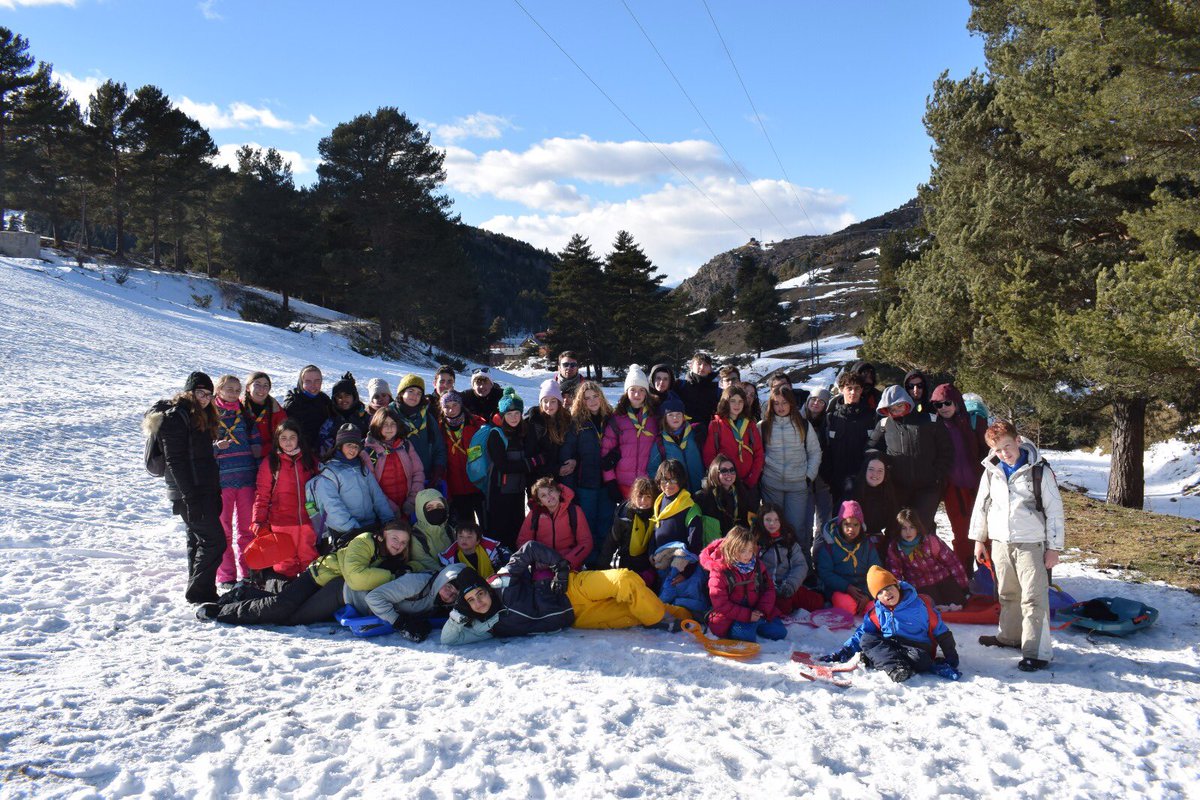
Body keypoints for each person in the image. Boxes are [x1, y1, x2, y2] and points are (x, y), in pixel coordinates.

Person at [440, 541, 688, 644]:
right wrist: (459, 612)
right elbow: (447, 640)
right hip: (575, 618)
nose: (479, 602)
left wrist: (559, 567)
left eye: (479, 594)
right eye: (471, 601)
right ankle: (685, 615)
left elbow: (529, 549)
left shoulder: (502, 580)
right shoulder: (484, 626)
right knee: (631, 614)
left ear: (486, 586)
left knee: (624, 580)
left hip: (571, 588)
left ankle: (657, 618)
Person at [969, 420, 1065, 672]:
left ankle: (1036, 651)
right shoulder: (992, 471)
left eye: (1007, 446)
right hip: (1001, 542)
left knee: (1034, 596)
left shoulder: (1039, 471)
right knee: (1007, 594)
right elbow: (982, 506)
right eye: (998, 450)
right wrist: (980, 540)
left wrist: (1054, 547)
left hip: (1030, 543)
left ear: (1018, 441)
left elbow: (1054, 511)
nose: (1004, 453)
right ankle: (1010, 636)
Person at [196, 524, 411, 625]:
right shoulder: (365, 541)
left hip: (327, 586)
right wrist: (391, 577)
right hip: (316, 577)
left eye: (403, 543)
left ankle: (246, 593)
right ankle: (220, 611)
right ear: (382, 535)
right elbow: (355, 577)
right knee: (281, 607)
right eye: (394, 539)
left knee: (288, 612)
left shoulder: (388, 556)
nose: (398, 545)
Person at [149, 371, 225, 604]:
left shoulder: (198, 415)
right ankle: (199, 592)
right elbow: (176, 461)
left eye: (209, 395)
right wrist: (189, 497)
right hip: (190, 492)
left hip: (203, 488)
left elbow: (195, 453)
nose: (204, 398)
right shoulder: (175, 417)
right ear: (189, 391)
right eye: (200, 392)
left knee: (197, 540)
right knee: (215, 541)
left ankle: (201, 590)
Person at [822, 565, 961, 683]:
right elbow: (862, 633)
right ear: (877, 598)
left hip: (917, 650)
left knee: (920, 659)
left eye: (888, 587)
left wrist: (951, 657)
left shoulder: (920, 605)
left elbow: (941, 632)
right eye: (880, 592)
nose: (886, 593)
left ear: (897, 585)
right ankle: (896, 668)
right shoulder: (877, 612)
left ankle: (876, 660)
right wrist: (845, 651)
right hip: (892, 646)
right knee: (867, 639)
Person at [867, 385, 952, 537]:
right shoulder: (884, 425)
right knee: (896, 529)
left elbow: (947, 451)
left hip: (928, 488)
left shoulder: (929, 421)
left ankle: (925, 560)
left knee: (922, 529)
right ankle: (894, 560)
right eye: (892, 408)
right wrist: (884, 466)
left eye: (899, 405)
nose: (897, 410)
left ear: (907, 402)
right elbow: (871, 450)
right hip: (897, 488)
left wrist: (936, 474)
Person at [930, 382, 990, 573]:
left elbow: (988, 450)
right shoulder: (935, 427)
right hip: (953, 490)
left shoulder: (974, 422)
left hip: (979, 487)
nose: (943, 408)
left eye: (947, 403)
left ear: (956, 402)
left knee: (985, 533)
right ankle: (965, 577)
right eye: (938, 405)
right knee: (961, 534)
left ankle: (988, 577)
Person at [759, 385, 821, 564]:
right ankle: (774, 567)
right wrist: (764, 474)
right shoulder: (763, 426)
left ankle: (802, 568)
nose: (780, 407)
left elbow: (815, 452)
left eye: (784, 403)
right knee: (772, 528)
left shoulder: (803, 424)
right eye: (776, 403)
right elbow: (757, 454)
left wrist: (808, 475)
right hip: (772, 485)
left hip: (797, 486)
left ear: (791, 404)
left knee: (796, 529)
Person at [249, 419, 319, 579]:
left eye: (292, 437)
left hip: (308, 520)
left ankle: (310, 595)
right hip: (282, 523)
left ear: (299, 438)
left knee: (310, 558)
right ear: (277, 440)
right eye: (283, 438)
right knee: (284, 562)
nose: (288, 442)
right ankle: (287, 594)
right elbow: (262, 494)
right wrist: (258, 521)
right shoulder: (271, 463)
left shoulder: (309, 460)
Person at [310, 423, 394, 551]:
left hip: (369, 526)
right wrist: (354, 529)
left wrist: (389, 520)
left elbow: (377, 496)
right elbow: (333, 506)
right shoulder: (329, 473)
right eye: (349, 445)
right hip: (346, 531)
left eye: (356, 446)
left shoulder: (362, 468)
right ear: (340, 445)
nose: (353, 449)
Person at [212, 374, 261, 587]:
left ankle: (249, 572)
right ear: (219, 390)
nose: (233, 393)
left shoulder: (245, 413)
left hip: (246, 478)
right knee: (223, 530)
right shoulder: (210, 415)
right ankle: (226, 575)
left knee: (247, 529)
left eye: (236, 390)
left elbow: (257, 440)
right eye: (228, 389)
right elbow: (200, 446)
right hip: (221, 481)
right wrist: (215, 447)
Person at [700, 525, 786, 643]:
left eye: (750, 550)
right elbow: (721, 604)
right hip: (730, 616)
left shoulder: (757, 565)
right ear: (732, 549)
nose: (747, 555)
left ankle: (754, 625)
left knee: (780, 632)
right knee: (746, 635)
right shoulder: (719, 570)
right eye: (742, 551)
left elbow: (769, 589)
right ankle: (741, 629)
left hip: (755, 610)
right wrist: (747, 615)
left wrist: (761, 610)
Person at [561, 380, 615, 561]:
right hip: (586, 483)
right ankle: (590, 562)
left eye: (595, 396)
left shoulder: (611, 418)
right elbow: (568, 453)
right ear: (580, 401)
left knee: (606, 523)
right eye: (587, 398)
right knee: (588, 525)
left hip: (608, 481)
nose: (592, 401)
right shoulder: (576, 423)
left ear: (601, 397)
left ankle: (604, 561)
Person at [484, 387, 543, 549]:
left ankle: (515, 564)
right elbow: (503, 466)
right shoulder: (496, 434)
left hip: (516, 491)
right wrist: (531, 463)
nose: (514, 417)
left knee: (516, 528)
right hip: (498, 491)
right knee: (499, 531)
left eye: (517, 413)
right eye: (509, 414)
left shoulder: (522, 433)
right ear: (502, 415)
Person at [885, 508, 969, 607]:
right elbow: (895, 574)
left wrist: (963, 585)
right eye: (904, 528)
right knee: (931, 605)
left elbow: (952, 562)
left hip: (942, 578)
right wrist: (900, 596)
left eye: (912, 527)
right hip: (920, 584)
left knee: (959, 601)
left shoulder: (930, 541)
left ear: (917, 528)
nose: (908, 532)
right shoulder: (896, 548)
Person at [364, 562, 467, 642]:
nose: (448, 595)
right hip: (359, 601)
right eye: (448, 587)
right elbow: (373, 598)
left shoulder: (441, 601)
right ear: (442, 580)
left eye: (455, 595)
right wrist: (399, 622)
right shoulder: (417, 583)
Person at [601, 365, 661, 500]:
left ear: (646, 393)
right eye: (632, 390)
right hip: (624, 482)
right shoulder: (617, 418)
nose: (637, 394)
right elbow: (605, 452)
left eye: (641, 390)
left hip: (649, 481)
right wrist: (610, 482)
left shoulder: (655, 417)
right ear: (626, 392)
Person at [815, 500, 883, 615]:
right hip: (840, 589)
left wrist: (867, 594)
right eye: (847, 524)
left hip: (863, 588)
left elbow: (876, 569)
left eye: (856, 525)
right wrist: (846, 587)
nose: (851, 529)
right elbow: (825, 572)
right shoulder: (830, 545)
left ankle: (868, 609)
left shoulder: (867, 545)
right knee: (847, 606)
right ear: (840, 524)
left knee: (876, 608)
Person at [755, 504, 824, 615]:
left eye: (776, 520)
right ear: (761, 520)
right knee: (782, 607)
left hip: (786, 585)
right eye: (768, 520)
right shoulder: (755, 542)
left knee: (818, 603)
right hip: (765, 589)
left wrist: (790, 585)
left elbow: (800, 565)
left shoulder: (788, 541)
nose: (772, 524)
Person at [822, 370, 875, 509]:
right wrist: (829, 476)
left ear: (862, 390)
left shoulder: (871, 417)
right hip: (836, 483)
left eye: (857, 388)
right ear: (841, 389)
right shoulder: (831, 418)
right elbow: (825, 449)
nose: (853, 392)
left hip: (863, 481)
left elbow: (876, 448)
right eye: (849, 388)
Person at [516, 477, 593, 571]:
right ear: (540, 501)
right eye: (543, 495)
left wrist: (567, 562)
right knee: (542, 584)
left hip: (570, 564)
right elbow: (523, 541)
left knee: (567, 584)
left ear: (559, 492)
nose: (549, 496)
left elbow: (586, 543)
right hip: (543, 565)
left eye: (551, 491)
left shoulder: (574, 510)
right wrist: (535, 561)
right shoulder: (534, 514)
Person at [702, 385, 764, 500]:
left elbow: (758, 453)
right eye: (733, 401)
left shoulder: (750, 425)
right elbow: (709, 456)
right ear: (726, 402)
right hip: (725, 484)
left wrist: (751, 479)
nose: (737, 405)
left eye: (740, 401)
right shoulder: (716, 425)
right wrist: (720, 479)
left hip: (748, 483)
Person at [361, 407, 425, 518]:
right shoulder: (369, 451)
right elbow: (370, 486)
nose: (389, 428)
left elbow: (418, 473)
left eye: (393, 423)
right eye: (384, 424)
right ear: (377, 425)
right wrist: (389, 508)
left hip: (408, 507)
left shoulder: (405, 445)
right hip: (383, 511)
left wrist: (412, 500)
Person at [389, 374, 447, 488]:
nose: (414, 396)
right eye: (411, 391)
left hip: (425, 479)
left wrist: (438, 468)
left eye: (419, 393)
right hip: (396, 481)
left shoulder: (427, 418)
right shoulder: (388, 416)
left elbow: (439, 447)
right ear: (401, 392)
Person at [438, 390, 486, 527]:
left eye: (455, 405)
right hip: (456, 489)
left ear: (461, 405)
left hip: (478, 485)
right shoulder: (439, 428)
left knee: (487, 526)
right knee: (466, 528)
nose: (451, 410)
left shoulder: (476, 424)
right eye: (446, 406)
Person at [600, 476, 658, 584]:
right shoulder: (624, 516)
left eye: (648, 497)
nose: (643, 501)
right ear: (633, 496)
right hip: (627, 564)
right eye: (640, 496)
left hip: (649, 565)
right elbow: (610, 544)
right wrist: (602, 574)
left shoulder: (657, 515)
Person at [646, 392, 705, 494]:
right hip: (676, 494)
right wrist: (665, 489)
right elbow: (653, 469)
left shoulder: (695, 434)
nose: (675, 418)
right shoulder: (661, 442)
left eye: (678, 414)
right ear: (665, 418)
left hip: (700, 490)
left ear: (684, 416)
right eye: (670, 415)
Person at [648, 459, 704, 556]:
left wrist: (682, 565)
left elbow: (695, 543)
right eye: (665, 479)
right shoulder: (658, 502)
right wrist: (651, 553)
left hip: (680, 563)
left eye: (673, 480)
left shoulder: (689, 506)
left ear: (681, 480)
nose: (668, 484)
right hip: (658, 560)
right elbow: (655, 529)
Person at [802, 387, 833, 553]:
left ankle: (820, 559)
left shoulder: (829, 423)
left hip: (823, 481)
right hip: (803, 480)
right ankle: (805, 560)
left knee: (824, 524)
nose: (816, 403)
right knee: (804, 523)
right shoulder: (798, 421)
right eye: (813, 399)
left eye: (821, 401)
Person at [695, 455, 754, 536]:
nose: (729, 474)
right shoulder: (703, 497)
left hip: (736, 540)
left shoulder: (741, 492)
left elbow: (746, 521)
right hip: (714, 542)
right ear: (715, 472)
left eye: (732, 470)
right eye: (724, 471)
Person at [525, 378, 571, 482]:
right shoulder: (534, 422)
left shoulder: (566, 420)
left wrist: (573, 461)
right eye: (545, 401)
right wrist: (555, 470)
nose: (549, 406)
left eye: (553, 401)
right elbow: (531, 457)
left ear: (559, 402)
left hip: (563, 478)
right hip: (539, 481)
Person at [283, 364, 333, 453]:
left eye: (317, 381)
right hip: (299, 452)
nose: (313, 386)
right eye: (308, 381)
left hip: (322, 450)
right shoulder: (293, 403)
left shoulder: (324, 400)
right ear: (301, 382)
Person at [852, 453, 902, 542]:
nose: (875, 474)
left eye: (880, 470)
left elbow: (893, 524)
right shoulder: (852, 492)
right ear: (865, 470)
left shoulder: (889, 493)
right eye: (871, 469)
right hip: (854, 541)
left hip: (879, 541)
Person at [318, 372, 371, 453]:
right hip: (336, 460)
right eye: (339, 397)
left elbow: (373, 437)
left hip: (361, 458)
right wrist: (337, 449)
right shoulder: (331, 419)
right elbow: (323, 438)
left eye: (347, 395)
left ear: (354, 396)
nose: (343, 400)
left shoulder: (364, 417)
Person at [651, 542, 707, 617]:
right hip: (675, 568)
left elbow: (695, 547)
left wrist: (686, 574)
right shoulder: (667, 571)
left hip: (689, 569)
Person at [242, 371, 287, 461]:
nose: (262, 389)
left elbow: (286, 436)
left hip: (268, 457)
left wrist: (264, 450)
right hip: (241, 456)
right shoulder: (238, 407)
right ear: (248, 387)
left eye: (266, 385)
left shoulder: (276, 410)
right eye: (257, 385)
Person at [439, 522, 511, 579]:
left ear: (477, 541)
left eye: (469, 537)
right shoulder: (451, 557)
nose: (464, 540)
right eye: (461, 536)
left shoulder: (490, 550)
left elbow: (502, 565)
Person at [410, 488, 455, 573]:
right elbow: (424, 561)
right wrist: (448, 573)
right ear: (421, 511)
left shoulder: (449, 530)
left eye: (439, 506)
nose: (435, 510)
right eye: (429, 507)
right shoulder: (416, 536)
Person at [676, 352, 720, 436]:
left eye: (706, 365)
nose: (702, 367)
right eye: (699, 364)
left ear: (710, 368)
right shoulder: (680, 385)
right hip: (683, 434)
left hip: (709, 435)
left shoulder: (716, 389)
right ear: (691, 366)